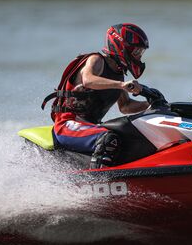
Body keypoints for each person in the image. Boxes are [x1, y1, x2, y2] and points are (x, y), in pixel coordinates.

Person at [41, 23, 150, 169]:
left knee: (130, 135)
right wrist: (121, 85)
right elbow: (88, 80)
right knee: (108, 139)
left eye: (140, 53)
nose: (138, 56)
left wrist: (150, 105)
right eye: (136, 52)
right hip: (67, 125)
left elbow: (125, 106)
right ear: (121, 46)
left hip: (89, 126)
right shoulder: (96, 60)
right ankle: (97, 182)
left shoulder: (118, 74)